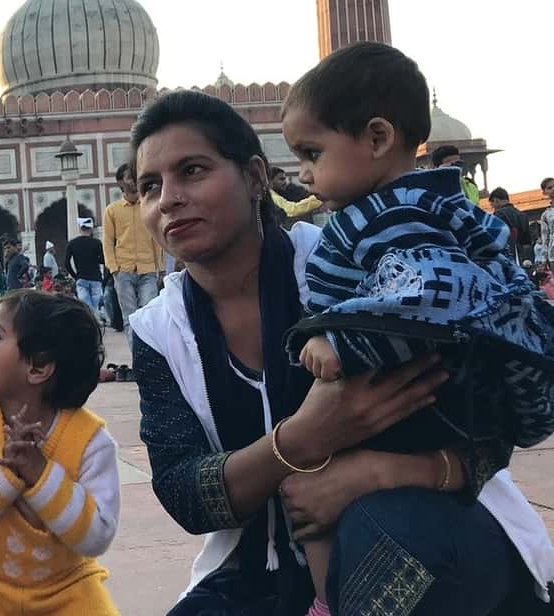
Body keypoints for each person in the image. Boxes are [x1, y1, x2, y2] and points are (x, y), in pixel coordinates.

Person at [129, 88, 554, 616]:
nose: (168, 197)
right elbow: (185, 492)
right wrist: (303, 439)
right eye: (149, 187)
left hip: (429, 533)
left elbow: (487, 434)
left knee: (404, 566)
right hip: (261, 574)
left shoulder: (363, 271)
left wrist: (371, 473)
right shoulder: (159, 329)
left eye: (192, 170)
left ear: (257, 177)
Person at [281, 44, 554, 610]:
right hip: (445, 413)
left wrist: (338, 339)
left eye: (312, 151)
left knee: (314, 488)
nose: (303, 171)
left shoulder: (392, 214)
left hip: (417, 402)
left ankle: (325, 602)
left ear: (378, 138)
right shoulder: (430, 205)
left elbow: (425, 297)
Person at [0, 290, 120, 616]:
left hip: (66, 585)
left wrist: (42, 476)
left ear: (38, 366)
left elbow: (96, 537)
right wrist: (4, 472)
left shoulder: (90, 441)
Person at [103, 163, 165, 348]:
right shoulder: (112, 210)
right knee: (129, 317)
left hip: (148, 269)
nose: (133, 180)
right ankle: (138, 359)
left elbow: (156, 238)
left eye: (134, 176)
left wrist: (160, 268)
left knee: (149, 314)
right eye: (129, 177)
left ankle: (151, 354)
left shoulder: (147, 206)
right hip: (124, 270)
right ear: (121, 182)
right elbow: (107, 241)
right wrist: (113, 269)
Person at [66, 217, 106, 316]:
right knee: (95, 306)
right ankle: (96, 321)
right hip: (96, 278)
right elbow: (104, 260)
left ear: (80, 228)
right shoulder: (97, 243)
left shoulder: (72, 243)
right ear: (91, 229)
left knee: (86, 306)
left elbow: (66, 263)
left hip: (81, 278)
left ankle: (93, 321)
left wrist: (75, 276)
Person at [488, 187, 531, 263]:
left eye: (493, 206)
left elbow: (496, 239)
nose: (493, 209)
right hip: (523, 259)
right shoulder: (522, 215)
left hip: (507, 257)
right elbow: (527, 241)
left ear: (496, 200)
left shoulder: (498, 214)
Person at [538, 177, 554, 267]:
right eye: (549, 187)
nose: (553, 189)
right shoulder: (545, 215)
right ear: (544, 192)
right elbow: (545, 238)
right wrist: (544, 259)